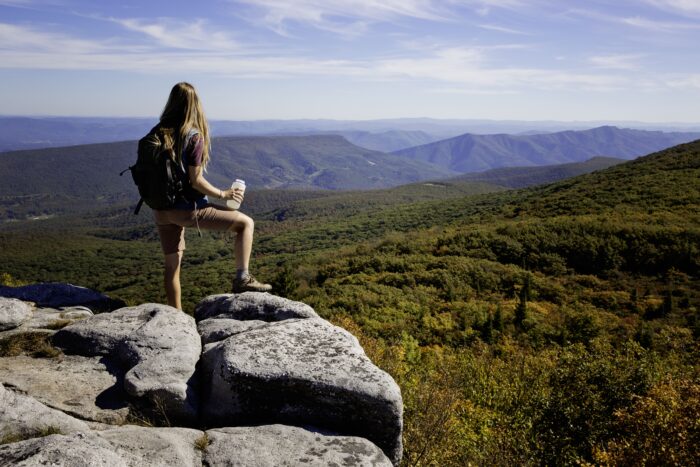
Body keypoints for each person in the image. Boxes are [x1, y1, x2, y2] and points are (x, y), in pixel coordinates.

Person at [152, 82, 271, 310]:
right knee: (245, 223)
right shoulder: (193, 136)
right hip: (186, 210)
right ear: (194, 105)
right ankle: (242, 278)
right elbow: (195, 180)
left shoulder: (158, 133)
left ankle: (175, 318)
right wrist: (223, 193)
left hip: (160, 209)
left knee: (172, 268)